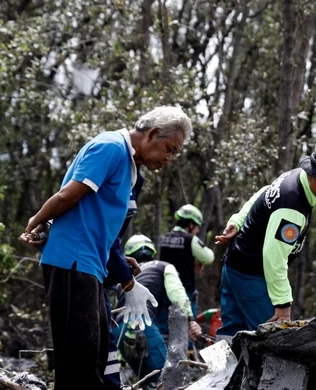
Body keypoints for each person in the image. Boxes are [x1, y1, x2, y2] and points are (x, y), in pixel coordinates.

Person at [19, 105, 192, 390]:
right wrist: (36, 220)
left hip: (91, 266)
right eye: (169, 149)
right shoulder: (111, 147)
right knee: (78, 361)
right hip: (72, 262)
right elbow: (68, 196)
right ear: (151, 134)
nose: (169, 159)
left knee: (95, 356)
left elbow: (97, 222)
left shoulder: (132, 170)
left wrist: (120, 264)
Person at [214, 143, 316, 342]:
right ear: (313, 173)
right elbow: (273, 257)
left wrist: (238, 220)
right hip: (253, 277)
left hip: (234, 265)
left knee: (231, 334)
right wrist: (282, 304)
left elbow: (264, 191)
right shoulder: (292, 208)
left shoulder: (295, 176)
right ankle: (238, 373)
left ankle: (221, 373)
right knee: (271, 343)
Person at [112, 235, 202, 387]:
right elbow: (177, 293)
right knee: (167, 380)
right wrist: (191, 319)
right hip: (142, 325)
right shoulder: (164, 266)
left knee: (149, 381)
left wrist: (121, 357)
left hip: (118, 329)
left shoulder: (124, 280)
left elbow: (120, 314)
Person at [158, 204, 214, 322]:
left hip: (164, 291)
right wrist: (199, 259)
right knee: (187, 330)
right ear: (190, 224)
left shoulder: (165, 238)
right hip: (184, 292)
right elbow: (209, 257)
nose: (197, 230)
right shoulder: (190, 240)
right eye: (197, 227)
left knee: (164, 328)